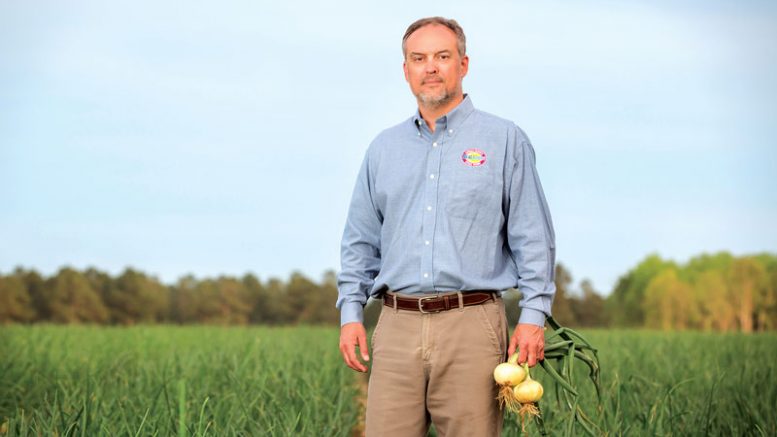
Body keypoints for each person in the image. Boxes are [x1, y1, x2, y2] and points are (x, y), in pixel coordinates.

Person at [336, 16, 556, 436]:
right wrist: (350, 311)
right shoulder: (383, 149)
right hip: (395, 323)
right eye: (419, 58)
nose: (430, 67)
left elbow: (533, 237)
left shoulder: (505, 140)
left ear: (464, 64)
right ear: (406, 71)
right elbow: (360, 240)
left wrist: (533, 314)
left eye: (442, 56)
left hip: (471, 324)